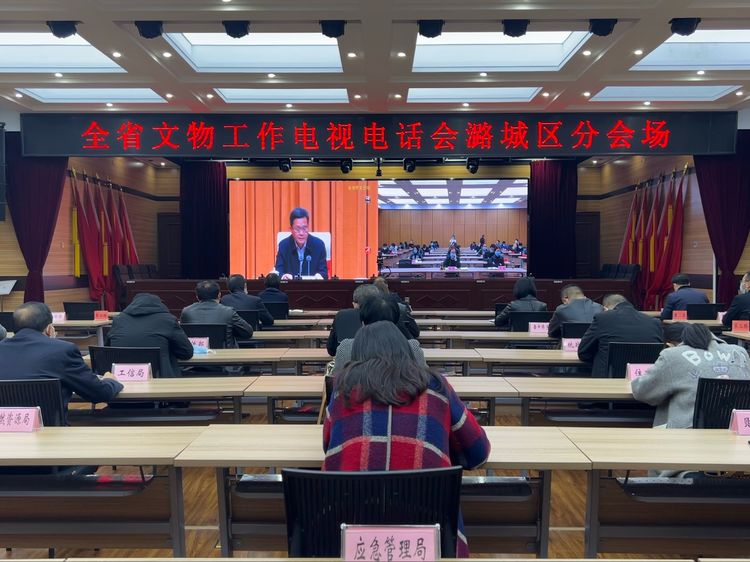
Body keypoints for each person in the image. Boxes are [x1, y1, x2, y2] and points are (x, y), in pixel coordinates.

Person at [324, 321, 490, 557]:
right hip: (429, 535)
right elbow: (478, 452)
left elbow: (328, 446)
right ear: (406, 351)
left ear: (357, 355)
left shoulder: (342, 389)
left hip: (352, 534)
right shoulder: (436, 386)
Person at [0, 302, 123, 410]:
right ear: (49, 329)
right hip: (48, 427)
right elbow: (99, 393)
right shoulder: (62, 350)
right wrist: (110, 381)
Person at [632, 323, 750, 429]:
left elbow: (641, 391)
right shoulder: (740, 352)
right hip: (737, 432)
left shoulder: (673, 355)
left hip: (688, 434)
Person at [107, 293, 193, 377]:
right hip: (160, 379)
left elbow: (107, 350)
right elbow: (187, 353)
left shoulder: (118, 320)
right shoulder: (168, 320)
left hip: (120, 378)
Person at [578, 294, 664, 377]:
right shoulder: (654, 322)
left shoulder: (602, 318)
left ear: (605, 308)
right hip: (645, 379)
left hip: (607, 381)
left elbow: (583, 352)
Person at [334, 296, 427, 368]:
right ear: (396, 322)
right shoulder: (412, 348)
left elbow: (336, 380)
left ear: (362, 322)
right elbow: (424, 379)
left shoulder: (346, 348)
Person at [180, 280, 253, 348]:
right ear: (219, 295)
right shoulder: (228, 312)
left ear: (197, 296)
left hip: (197, 354)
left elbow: (182, 335)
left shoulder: (186, 311)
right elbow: (248, 332)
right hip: (225, 355)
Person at [326, 284, 381, 356]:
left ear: (354, 303)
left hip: (347, 361)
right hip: (377, 360)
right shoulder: (384, 315)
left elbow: (331, 349)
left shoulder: (341, 315)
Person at [274, 207, 328, 280]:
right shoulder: (283, 246)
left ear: (308, 227)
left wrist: (318, 276)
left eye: (304, 228)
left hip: (313, 286)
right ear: (291, 229)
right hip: (290, 286)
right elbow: (278, 272)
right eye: (297, 229)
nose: (301, 233)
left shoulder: (319, 245)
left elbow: (324, 273)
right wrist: (284, 276)